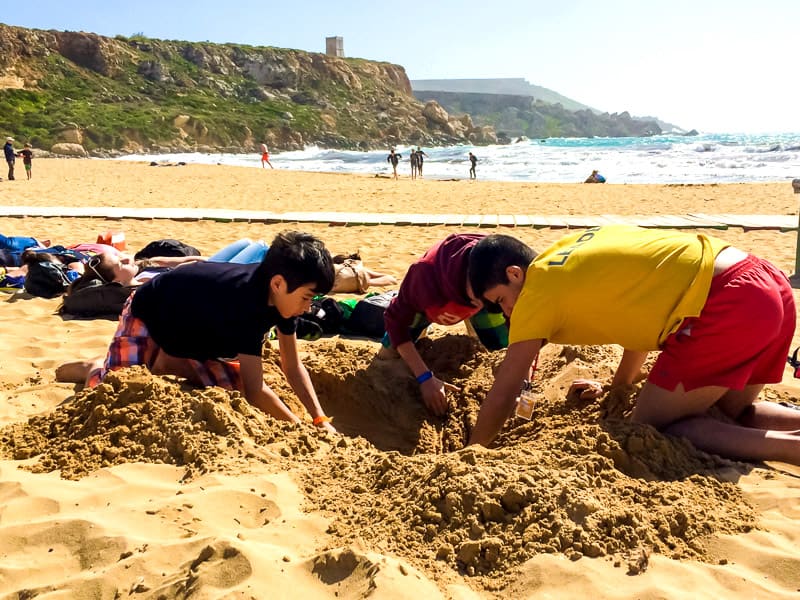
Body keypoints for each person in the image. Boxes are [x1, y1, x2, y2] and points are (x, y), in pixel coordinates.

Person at [466, 226, 800, 466]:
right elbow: (637, 318)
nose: (507, 312)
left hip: (729, 300)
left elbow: (506, 386)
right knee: (728, 413)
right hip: (767, 282)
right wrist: (619, 389)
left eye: (501, 301)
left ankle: (791, 451)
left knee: (660, 427)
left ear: (515, 274)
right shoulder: (567, 252)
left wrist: (471, 453)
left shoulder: (536, 291)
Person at [66, 231, 337, 431]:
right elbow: (257, 390)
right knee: (115, 393)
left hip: (191, 330)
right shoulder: (247, 303)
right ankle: (93, 367)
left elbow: (292, 365)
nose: (307, 307)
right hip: (149, 311)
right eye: (306, 298)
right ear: (278, 283)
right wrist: (299, 428)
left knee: (234, 387)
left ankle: (166, 361)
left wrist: (319, 418)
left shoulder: (284, 301)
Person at [381, 233, 509, 415]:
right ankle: (426, 329)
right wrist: (424, 377)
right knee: (388, 357)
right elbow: (395, 322)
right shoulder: (424, 278)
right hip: (430, 302)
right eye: (477, 299)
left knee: (501, 350)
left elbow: (517, 327)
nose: (482, 303)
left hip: (480, 293)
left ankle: (477, 328)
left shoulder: (499, 271)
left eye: (491, 300)